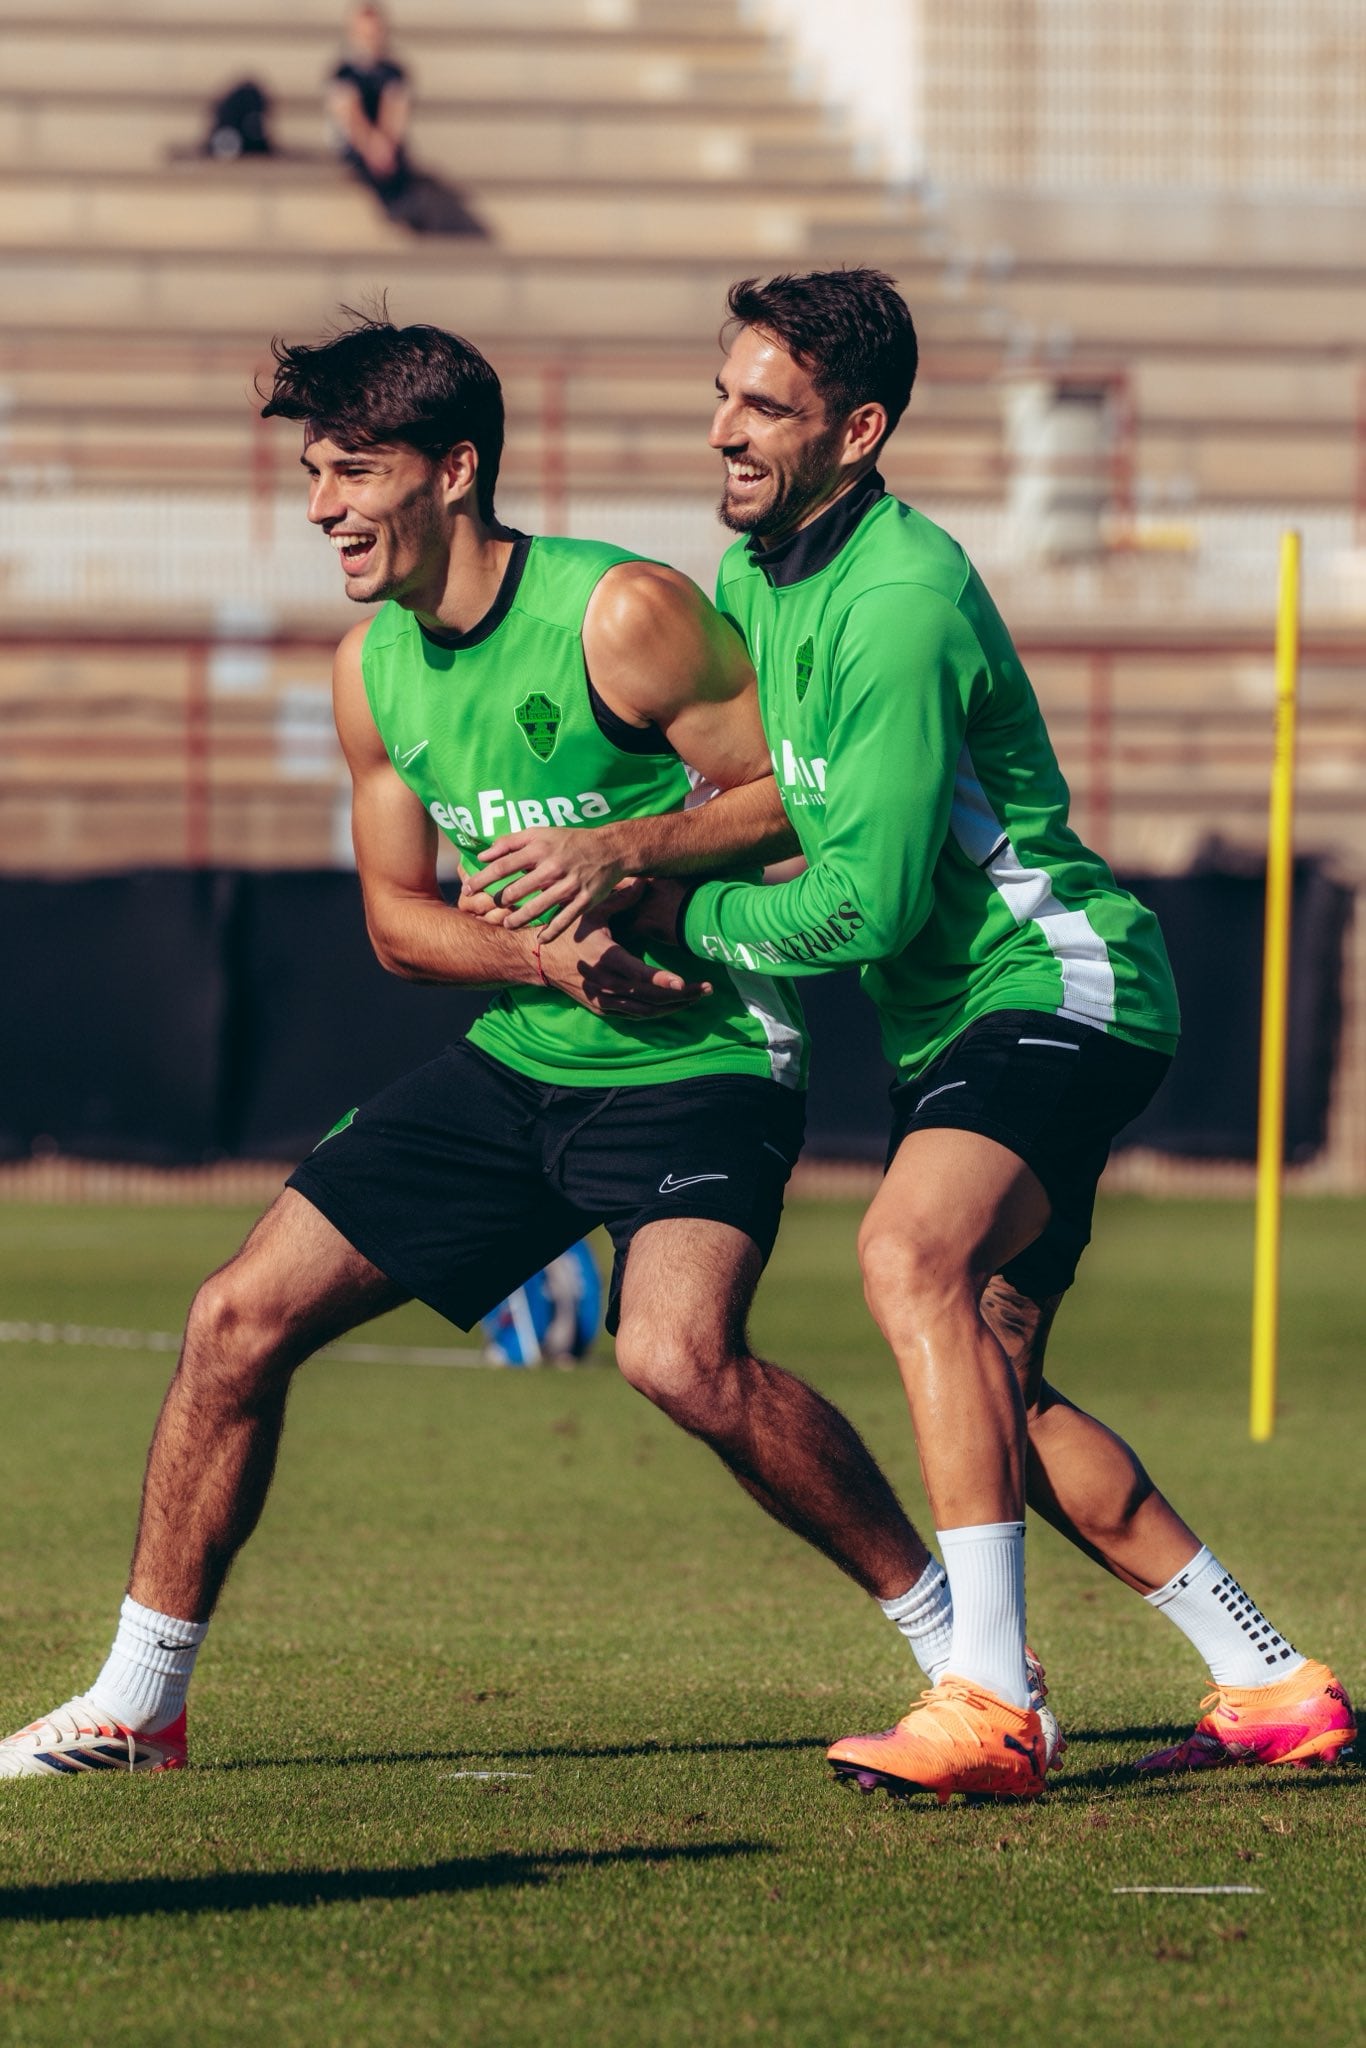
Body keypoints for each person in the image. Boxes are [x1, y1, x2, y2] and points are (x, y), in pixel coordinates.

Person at [0, 312, 1013, 1779]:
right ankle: (136, 1704)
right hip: (523, 1056)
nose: (321, 508)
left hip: (702, 1055)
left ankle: (962, 1656)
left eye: (352, 470)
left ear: (453, 469)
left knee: (675, 1358)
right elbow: (401, 929)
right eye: (311, 473)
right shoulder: (370, 674)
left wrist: (624, 853)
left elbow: (794, 803)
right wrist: (540, 954)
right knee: (233, 1319)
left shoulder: (623, 614)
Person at [463, 269, 1355, 1803]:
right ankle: (1269, 1677)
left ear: (858, 432)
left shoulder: (897, 599)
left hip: (1058, 981)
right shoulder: (751, 583)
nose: (726, 431)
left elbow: (861, 907)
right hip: (954, 1025)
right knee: (996, 1384)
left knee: (906, 1259)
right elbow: (753, 820)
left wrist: (669, 913)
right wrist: (631, 861)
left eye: (768, 408)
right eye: (724, 394)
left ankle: (990, 1702)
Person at [328, 3, 413, 212]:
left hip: (386, 145)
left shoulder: (393, 72)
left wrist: (384, 143)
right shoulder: (343, 72)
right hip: (356, 144)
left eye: (374, 34)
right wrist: (370, 144)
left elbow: (396, 109)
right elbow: (349, 114)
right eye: (365, 34)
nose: (370, 40)